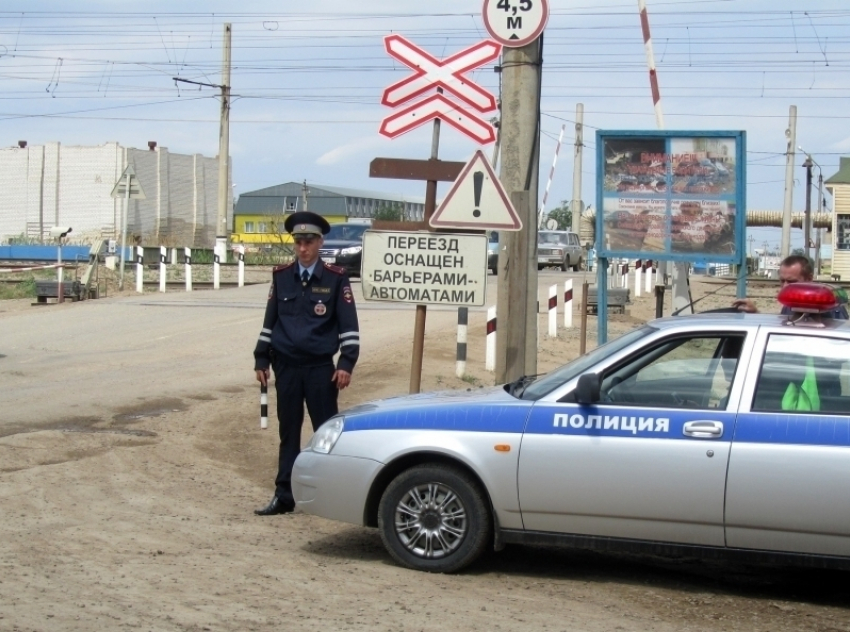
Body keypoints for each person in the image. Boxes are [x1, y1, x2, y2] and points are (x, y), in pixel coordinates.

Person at [252, 211, 360, 516]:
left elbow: (349, 327)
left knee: (326, 434)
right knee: (288, 433)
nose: (303, 248)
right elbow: (269, 322)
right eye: (298, 242)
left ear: (319, 242)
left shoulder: (336, 279)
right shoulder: (282, 276)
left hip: (319, 371)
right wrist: (261, 357)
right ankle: (284, 495)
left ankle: (331, 495)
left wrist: (346, 364)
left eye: (309, 241)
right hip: (286, 367)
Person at [733, 254, 848, 319]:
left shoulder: (831, 307)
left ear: (809, 278)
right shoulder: (789, 305)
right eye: (782, 281)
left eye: (791, 282)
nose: (785, 287)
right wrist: (756, 314)